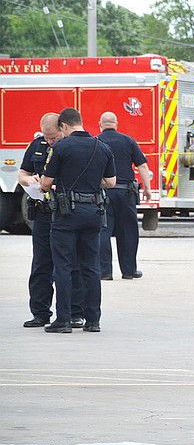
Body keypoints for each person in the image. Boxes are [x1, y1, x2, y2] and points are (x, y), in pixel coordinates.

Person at [40, 108, 116, 333]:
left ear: (63, 126)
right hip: (94, 213)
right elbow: (110, 182)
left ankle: (63, 320)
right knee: (91, 267)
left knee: (63, 266)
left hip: (67, 214)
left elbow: (46, 183)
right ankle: (93, 320)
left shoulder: (61, 147)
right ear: (81, 122)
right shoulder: (102, 147)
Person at [18, 113, 85, 329]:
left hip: (66, 213)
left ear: (63, 129)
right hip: (43, 212)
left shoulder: (71, 147)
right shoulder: (37, 145)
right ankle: (40, 312)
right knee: (41, 263)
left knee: (70, 264)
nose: (49, 142)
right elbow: (23, 174)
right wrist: (30, 180)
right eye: (46, 137)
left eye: (53, 137)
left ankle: (75, 312)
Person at [97, 111, 153, 280]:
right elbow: (142, 166)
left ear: (101, 124)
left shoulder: (96, 142)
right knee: (128, 232)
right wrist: (148, 189)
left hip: (104, 193)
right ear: (116, 123)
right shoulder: (128, 141)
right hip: (126, 193)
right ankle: (129, 271)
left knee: (103, 231)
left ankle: (105, 271)